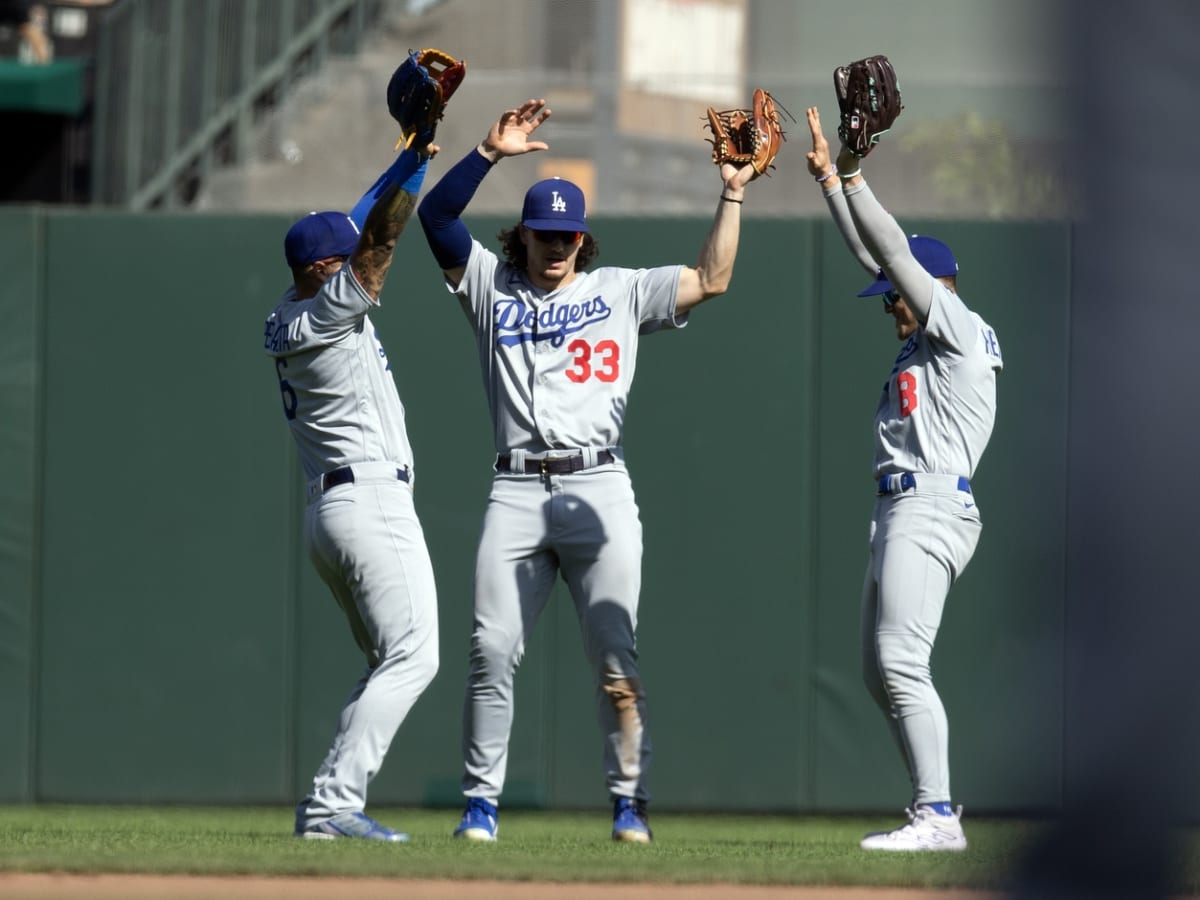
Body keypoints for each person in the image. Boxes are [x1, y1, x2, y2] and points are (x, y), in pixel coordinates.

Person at [416, 98, 759, 843]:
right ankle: (481, 805)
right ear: (524, 236)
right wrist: (486, 153)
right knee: (491, 650)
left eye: (569, 235)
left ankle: (628, 800)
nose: (557, 247)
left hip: (599, 484)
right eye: (544, 235)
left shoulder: (620, 290)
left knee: (616, 656)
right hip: (514, 486)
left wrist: (732, 191)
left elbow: (713, 277)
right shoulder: (490, 286)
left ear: (583, 237)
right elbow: (436, 220)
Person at [805, 106, 1004, 851]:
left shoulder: (951, 322)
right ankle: (932, 808)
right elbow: (877, 258)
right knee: (875, 670)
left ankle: (938, 815)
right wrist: (830, 180)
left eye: (899, 290)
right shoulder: (930, 332)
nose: (888, 301)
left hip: (931, 503)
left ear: (933, 286)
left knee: (900, 662)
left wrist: (856, 175)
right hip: (901, 509)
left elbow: (889, 252)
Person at [263, 132, 441, 841]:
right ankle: (335, 804)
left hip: (330, 512)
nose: (359, 250)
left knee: (386, 663)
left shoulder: (290, 307)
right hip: (368, 503)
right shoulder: (330, 308)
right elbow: (380, 238)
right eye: (344, 254)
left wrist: (417, 155)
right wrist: (410, 187)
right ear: (325, 269)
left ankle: (326, 804)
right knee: (415, 655)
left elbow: (365, 217)